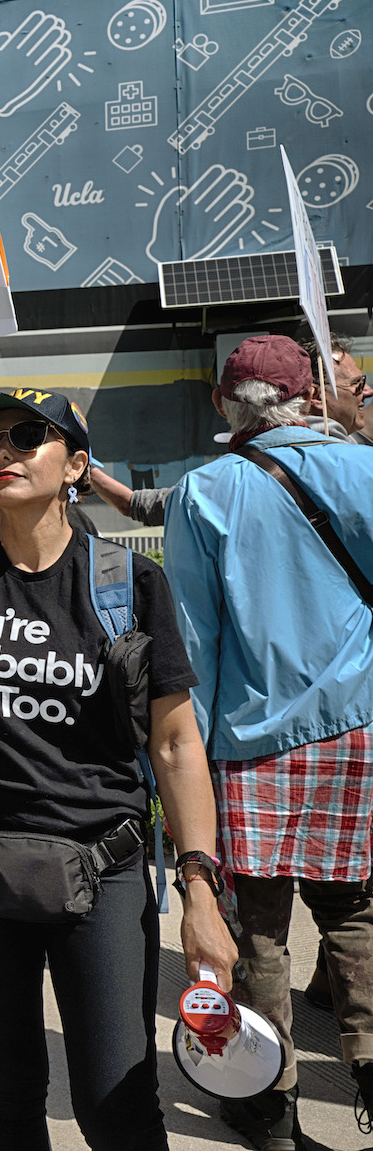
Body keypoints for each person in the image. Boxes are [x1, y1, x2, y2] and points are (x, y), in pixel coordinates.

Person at [0, 387, 234, 1151]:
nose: (3, 452)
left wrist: (201, 889)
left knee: (115, 1104)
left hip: (102, 865)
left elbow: (174, 744)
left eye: (28, 435)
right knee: (7, 1093)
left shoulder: (129, 584)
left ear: (76, 464)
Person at [165, 334, 373, 1149]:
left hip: (248, 742)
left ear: (224, 404)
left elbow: (194, 640)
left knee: (260, 930)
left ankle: (268, 1098)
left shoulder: (203, 491)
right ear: (307, 398)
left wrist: (189, 761)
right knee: (355, 912)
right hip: (355, 730)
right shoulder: (364, 469)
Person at [301, 332, 370, 445]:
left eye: (362, 380)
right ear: (316, 396)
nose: (368, 390)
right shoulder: (338, 456)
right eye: (356, 383)